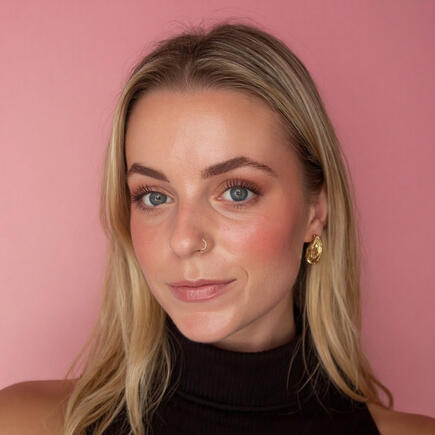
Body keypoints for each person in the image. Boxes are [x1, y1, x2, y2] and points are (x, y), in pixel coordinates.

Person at [0, 21, 434, 435]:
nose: (184, 239)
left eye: (237, 192)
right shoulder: (24, 423)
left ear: (314, 211)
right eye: (154, 197)